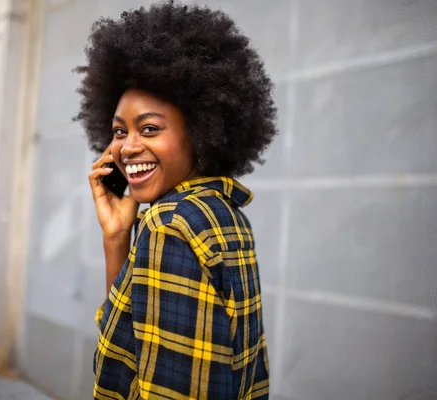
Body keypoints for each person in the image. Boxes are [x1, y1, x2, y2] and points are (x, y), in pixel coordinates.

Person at [76, 2, 277, 398]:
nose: (127, 148)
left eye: (149, 128)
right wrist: (117, 236)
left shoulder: (169, 225)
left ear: (201, 131)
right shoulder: (223, 213)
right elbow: (134, 341)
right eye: (119, 132)